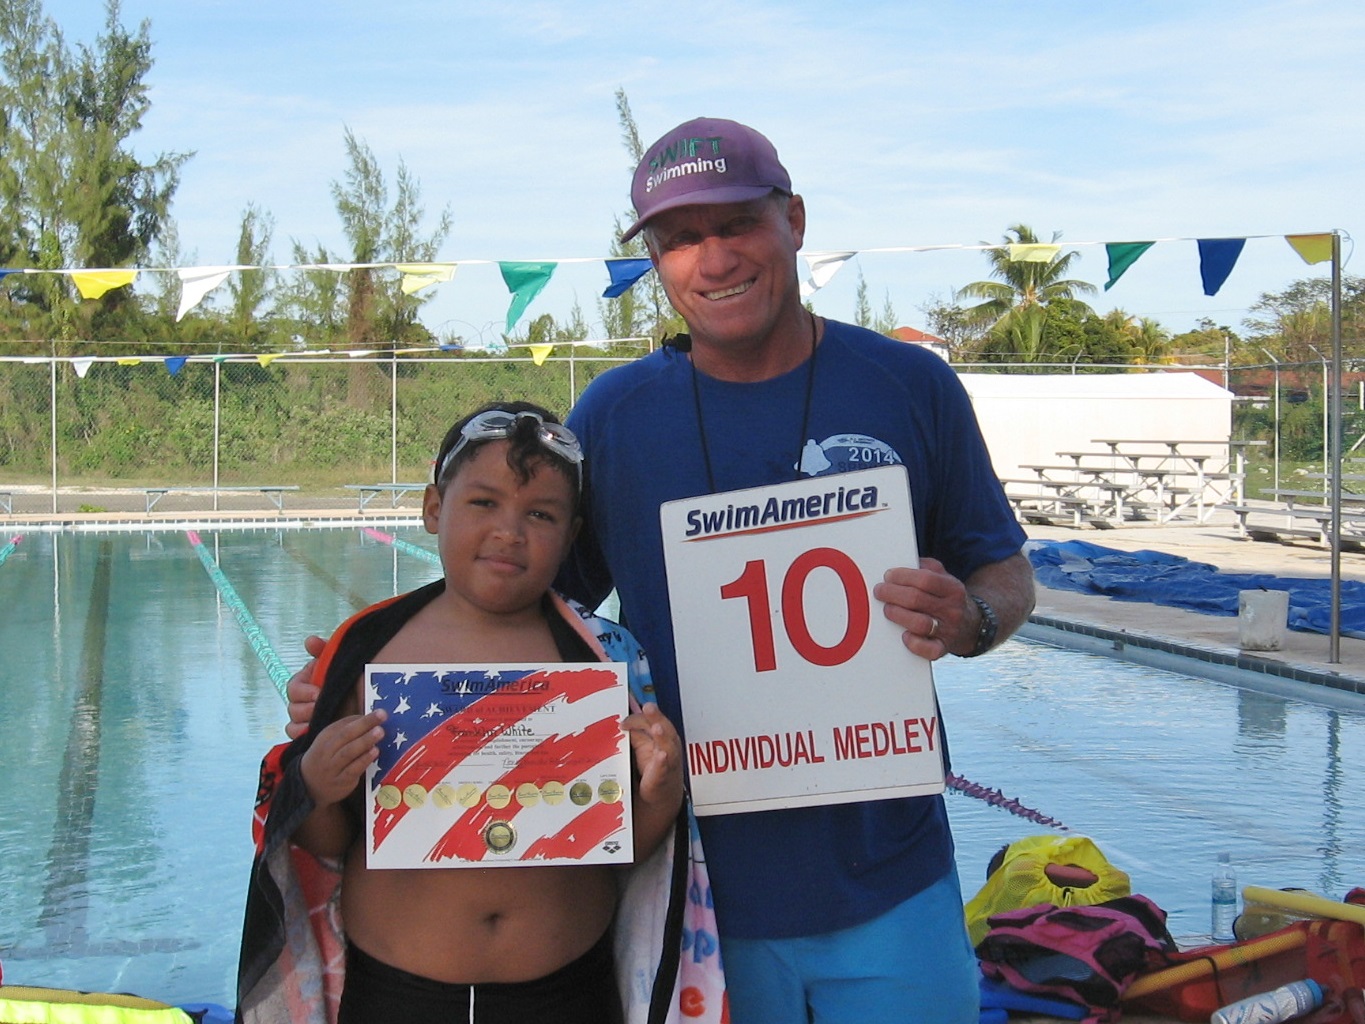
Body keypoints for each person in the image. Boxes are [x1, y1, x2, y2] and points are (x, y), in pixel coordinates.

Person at [290, 118, 1034, 1023]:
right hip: (694, 889)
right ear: (655, 260)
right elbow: (524, 609)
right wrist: (369, 682)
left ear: (794, 220)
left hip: (892, 880)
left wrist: (971, 620)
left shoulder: (909, 385)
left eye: (738, 224)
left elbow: (1003, 572)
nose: (713, 260)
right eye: (681, 239)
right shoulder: (615, 415)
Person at [239, 402, 720, 1024]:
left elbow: (623, 850)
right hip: (398, 994)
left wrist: (661, 791)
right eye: (484, 503)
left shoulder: (604, 656)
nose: (509, 531)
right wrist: (316, 784)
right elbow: (325, 845)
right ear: (433, 508)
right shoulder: (367, 650)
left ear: (571, 534)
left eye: (540, 514)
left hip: (566, 991)